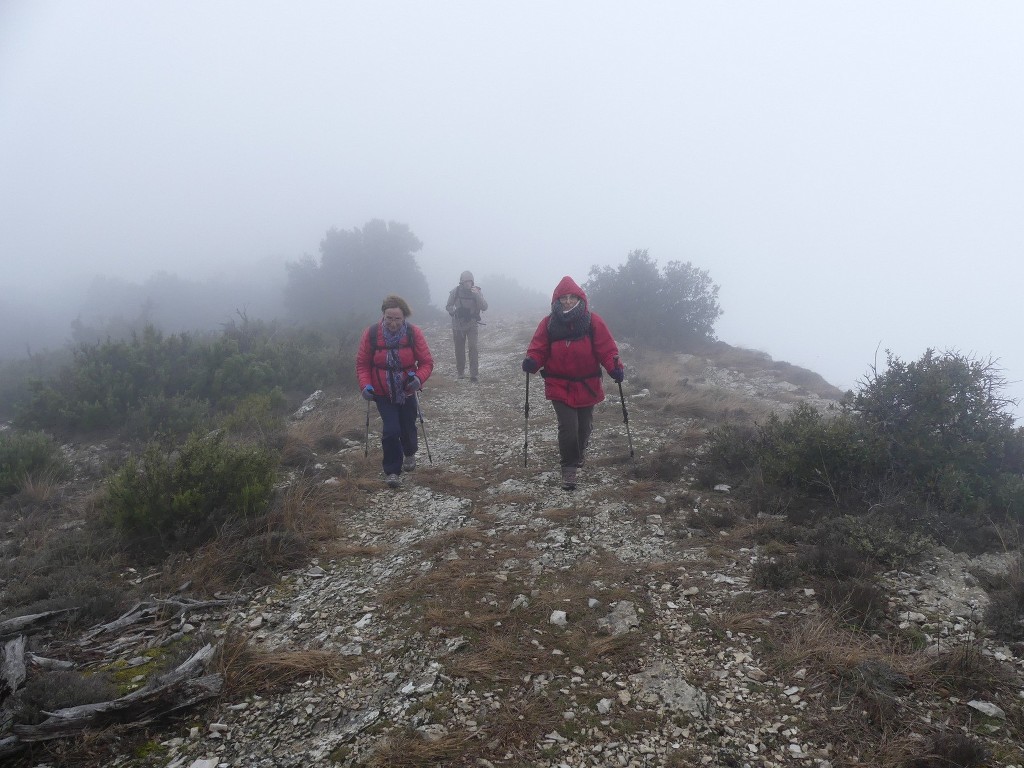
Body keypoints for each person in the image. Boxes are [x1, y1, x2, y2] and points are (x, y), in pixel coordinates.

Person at [521, 275, 624, 491]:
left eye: (572, 298)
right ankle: (568, 469)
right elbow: (538, 348)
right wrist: (532, 361)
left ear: (580, 299)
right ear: (556, 301)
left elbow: (606, 349)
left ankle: (578, 454)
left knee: (584, 428)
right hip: (559, 384)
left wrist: (614, 367)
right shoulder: (548, 323)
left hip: (587, 384)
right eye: (563, 298)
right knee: (568, 427)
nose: (567, 302)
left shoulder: (593, 321)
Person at [356, 295, 434, 488]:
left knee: (408, 425)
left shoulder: (414, 333)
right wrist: (365, 386)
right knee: (391, 430)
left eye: (397, 319)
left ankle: (409, 452)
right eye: (389, 318)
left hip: (407, 389)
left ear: (404, 317)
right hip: (382, 392)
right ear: (383, 315)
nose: (392, 323)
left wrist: (418, 379)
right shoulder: (372, 333)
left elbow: (426, 363)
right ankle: (392, 471)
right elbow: (362, 364)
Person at [445, 270, 488, 382]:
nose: (468, 284)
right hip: (458, 324)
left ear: (472, 282)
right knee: (459, 349)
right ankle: (460, 373)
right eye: (466, 282)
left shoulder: (477, 292)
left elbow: (484, 307)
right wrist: (455, 312)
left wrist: (477, 295)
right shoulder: (456, 291)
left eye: (470, 282)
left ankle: (474, 374)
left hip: (472, 324)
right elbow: (449, 306)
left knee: (473, 347)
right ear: (461, 282)